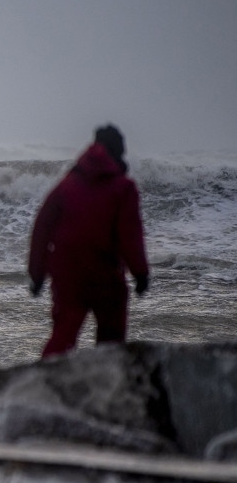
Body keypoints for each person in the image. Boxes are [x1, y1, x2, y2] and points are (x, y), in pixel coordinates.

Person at [27, 125, 149, 358]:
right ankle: (106, 384)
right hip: (106, 272)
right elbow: (130, 234)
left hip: (68, 270)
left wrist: (37, 274)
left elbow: (41, 227)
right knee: (111, 339)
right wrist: (140, 273)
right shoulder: (123, 188)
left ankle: (47, 381)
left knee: (64, 333)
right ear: (117, 152)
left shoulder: (67, 184)